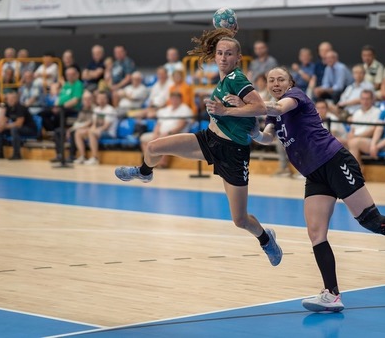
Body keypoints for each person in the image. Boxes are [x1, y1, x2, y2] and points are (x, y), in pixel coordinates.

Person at [235, 66, 385, 312]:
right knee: (316, 233)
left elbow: (279, 107)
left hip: (335, 161)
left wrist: (247, 105)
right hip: (314, 173)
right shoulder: (272, 114)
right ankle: (331, 294)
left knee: (371, 220)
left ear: (290, 82)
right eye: (271, 80)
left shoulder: (296, 97)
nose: (276, 83)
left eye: (280, 79)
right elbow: (267, 138)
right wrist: (251, 130)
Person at [114, 28, 283, 267]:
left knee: (240, 219)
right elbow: (248, 117)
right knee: (153, 147)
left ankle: (266, 240)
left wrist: (227, 111)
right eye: (220, 53)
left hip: (233, 153)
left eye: (229, 54)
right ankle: (144, 172)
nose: (223, 58)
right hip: (208, 140)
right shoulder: (223, 82)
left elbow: (259, 107)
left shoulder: (237, 79)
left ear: (237, 58)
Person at [139, 92, 194, 168]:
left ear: (180, 99)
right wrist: (155, 133)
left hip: (177, 134)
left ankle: (162, 164)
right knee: (144, 138)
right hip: (161, 133)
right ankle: (150, 163)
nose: (174, 100)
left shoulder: (185, 109)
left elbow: (181, 125)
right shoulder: (166, 109)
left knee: (164, 139)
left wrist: (169, 133)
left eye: (176, 99)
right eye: (172, 98)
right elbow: (158, 124)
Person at [74, 91, 117, 165]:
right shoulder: (96, 109)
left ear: (107, 99)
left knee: (91, 132)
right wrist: (92, 129)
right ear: (97, 99)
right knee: (78, 132)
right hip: (97, 131)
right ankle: (82, 156)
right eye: (99, 98)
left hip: (109, 133)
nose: (101, 100)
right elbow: (94, 124)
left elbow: (106, 126)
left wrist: (93, 130)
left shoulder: (110, 110)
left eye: (103, 98)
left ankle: (95, 158)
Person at [0, 90, 37, 160]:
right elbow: (4, 118)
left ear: (16, 99)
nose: (10, 101)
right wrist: (1, 126)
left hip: (29, 129)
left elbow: (19, 124)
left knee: (14, 130)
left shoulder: (20, 107)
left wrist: (6, 126)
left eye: (12, 99)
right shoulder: (8, 107)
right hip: (17, 127)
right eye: (8, 99)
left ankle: (17, 154)